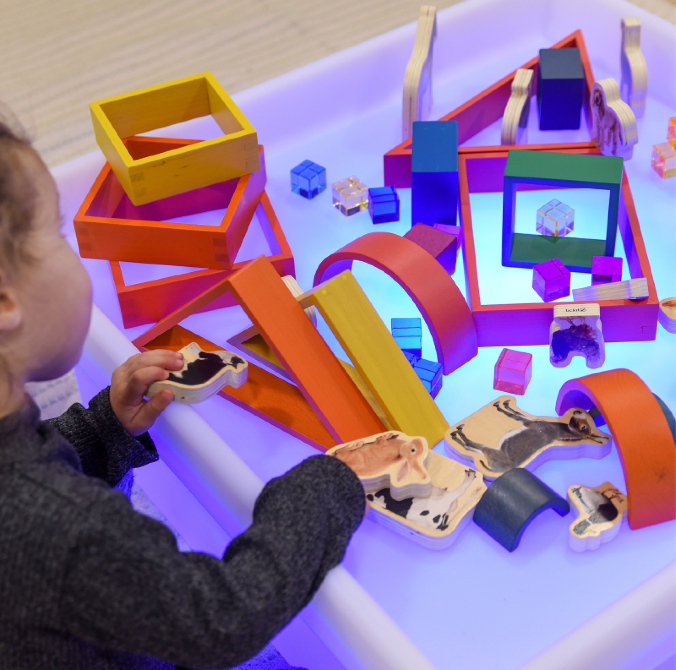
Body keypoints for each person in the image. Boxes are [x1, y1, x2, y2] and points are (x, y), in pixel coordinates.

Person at [0, 119, 367, 669]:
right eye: (56, 232)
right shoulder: (72, 530)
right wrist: (324, 489)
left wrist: (103, 428)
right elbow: (220, 617)